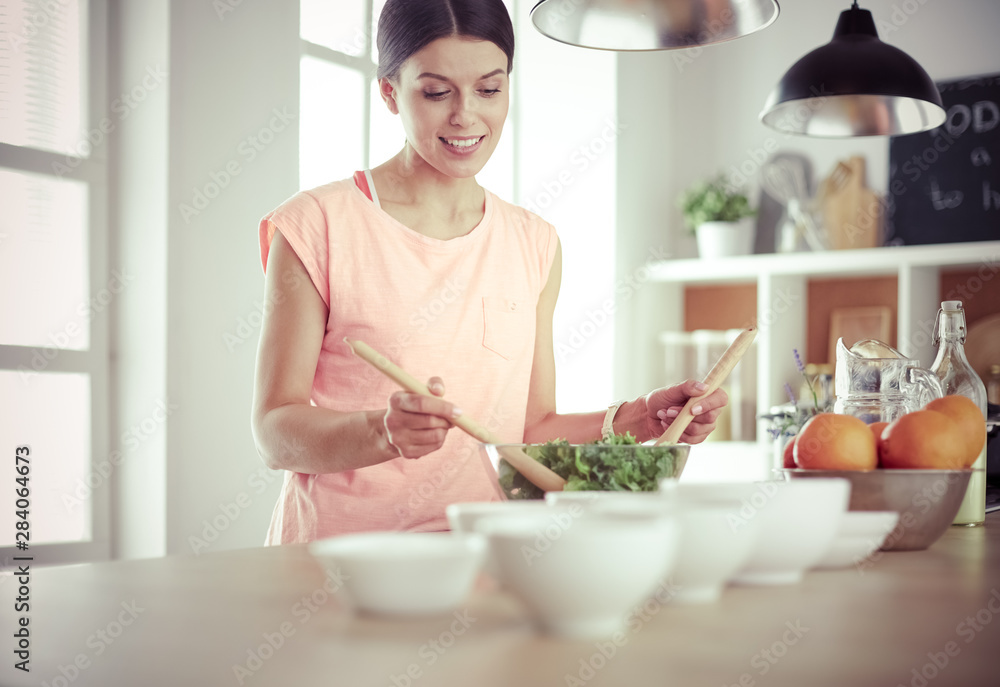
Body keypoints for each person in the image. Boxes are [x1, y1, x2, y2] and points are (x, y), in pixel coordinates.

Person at [251, 0, 728, 544]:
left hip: (484, 560)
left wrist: (641, 419)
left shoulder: (534, 243)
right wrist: (381, 431)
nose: (465, 116)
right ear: (389, 92)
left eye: (489, 89)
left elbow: (529, 430)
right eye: (436, 92)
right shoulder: (317, 224)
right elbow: (274, 433)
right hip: (335, 565)